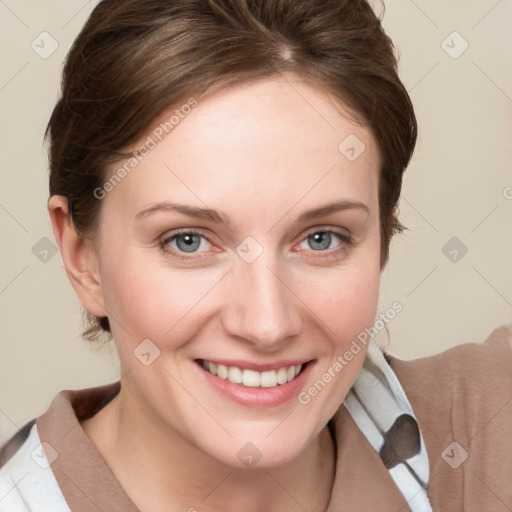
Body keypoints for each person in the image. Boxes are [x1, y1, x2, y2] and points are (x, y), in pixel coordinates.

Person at [0, 0, 510, 510]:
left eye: (321, 238)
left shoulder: (487, 437)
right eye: (188, 241)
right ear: (81, 256)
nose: (267, 325)